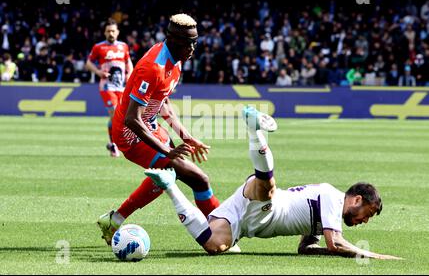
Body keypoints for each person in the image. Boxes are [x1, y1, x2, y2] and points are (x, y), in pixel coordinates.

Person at [144, 106, 402, 260]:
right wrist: (372, 255)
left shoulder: (326, 212)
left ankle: (169, 185)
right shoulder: (333, 199)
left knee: (214, 246)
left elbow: (306, 248)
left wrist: (320, 249)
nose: (363, 221)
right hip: (267, 204)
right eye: (366, 214)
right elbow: (336, 243)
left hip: (247, 223)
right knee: (268, 191)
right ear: (357, 199)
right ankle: (255, 131)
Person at [97, 14, 221, 246]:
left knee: (167, 176)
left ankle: (114, 219)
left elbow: (162, 101)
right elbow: (132, 119)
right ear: (173, 41)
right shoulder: (153, 67)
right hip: (130, 135)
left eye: (196, 41)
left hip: (150, 127)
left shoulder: (176, 60)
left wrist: (185, 135)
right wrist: (166, 149)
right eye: (189, 43)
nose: (193, 48)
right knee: (199, 179)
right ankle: (223, 232)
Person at [86, 18, 133, 157]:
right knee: (114, 112)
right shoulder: (99, 47)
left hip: (122, 87)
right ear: (104, 33)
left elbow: (128, 62)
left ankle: (115, 143)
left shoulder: (124, 46)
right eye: (108, 31)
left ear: (117, 32)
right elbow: (88, 63)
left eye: (113, 31)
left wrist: (129, 75)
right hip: (107, 87)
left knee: (119, 116)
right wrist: (98, 72)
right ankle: (114, 146)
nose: (111, 33)